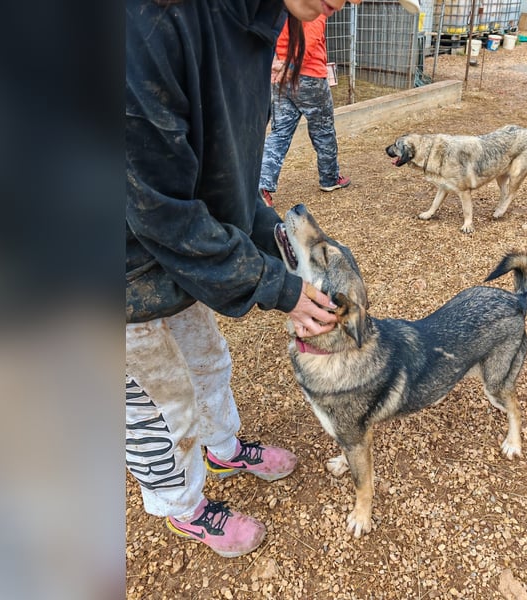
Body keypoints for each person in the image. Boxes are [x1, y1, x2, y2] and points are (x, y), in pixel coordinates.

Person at [125, 0, 365, 559]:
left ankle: (221, 449)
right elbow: (159, 209)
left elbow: (225, 176)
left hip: (174, 249)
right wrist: (279, 288)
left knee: (207, 360)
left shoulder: (262, 21)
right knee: (158, 401)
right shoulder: (149, 23)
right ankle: (181, 507)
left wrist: (270, 239)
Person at [258, 12, 349, 207]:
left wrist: (278, 64)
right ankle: (329, 178)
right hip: (308, 76)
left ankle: (262, 185)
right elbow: (311, 38)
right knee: (323, 130)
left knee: (279, 133)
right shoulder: (313, 7)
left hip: (280, 76)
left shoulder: (280, 7)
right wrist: (292, 66)